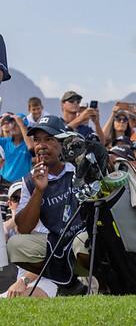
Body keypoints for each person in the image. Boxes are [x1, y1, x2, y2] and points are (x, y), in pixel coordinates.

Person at [6, 115, 88, 295]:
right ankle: (68, 284)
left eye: (49, 139)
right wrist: (39, 190)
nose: (41, 146)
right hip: (55, 242)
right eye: (37, 141)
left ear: (62, 143)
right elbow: (24, 228)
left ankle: (99, 282)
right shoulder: (29, 181)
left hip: (83, 238)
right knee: (14, 245)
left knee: (82, 243)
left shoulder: (77, 168)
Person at [0, 113, 33, 188]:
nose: (13, 126)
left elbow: (31, 147)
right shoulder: (6, 142)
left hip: (21, 184)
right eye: (12, 123)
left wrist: (21, 124)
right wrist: (1, 123)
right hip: (3, 183)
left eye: (17, 124)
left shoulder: (27, 144)